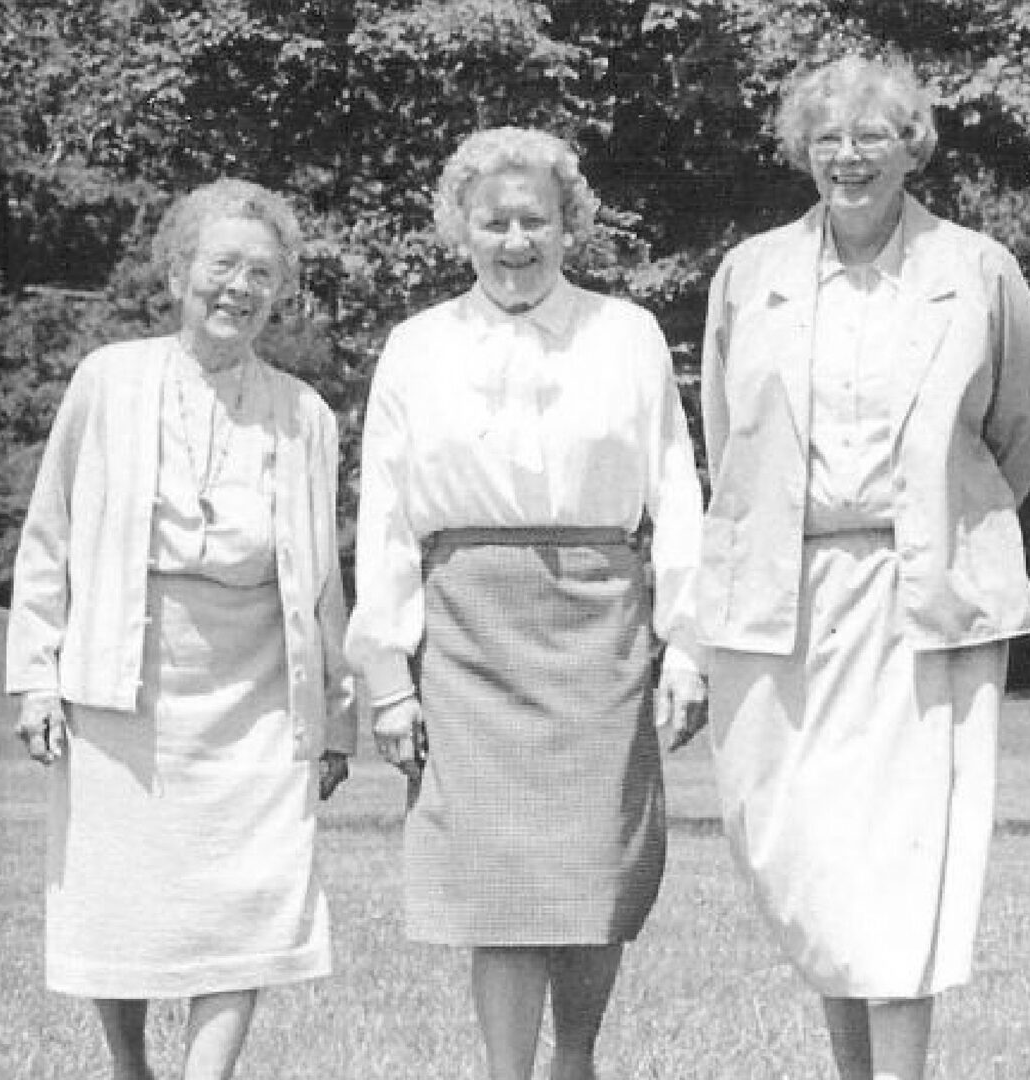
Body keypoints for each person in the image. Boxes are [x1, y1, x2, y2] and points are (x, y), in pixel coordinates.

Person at [695, 54, 1030, 1080]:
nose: (849, 157)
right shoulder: (748, 274)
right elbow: (730, 438)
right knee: (804, 854)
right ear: (803, 151)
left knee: (899, 861)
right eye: (828, 138)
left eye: (872, 136)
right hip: (783, 595)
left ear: (912, 147)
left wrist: (934, 523)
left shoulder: (978, 269)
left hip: (923, 595)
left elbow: (1014, 436)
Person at [346, 127, 706, 1080]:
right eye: (494, 220)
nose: (515, 240)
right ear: (459, 227)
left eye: (535, 220)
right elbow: (383, 514)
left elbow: (677, 492)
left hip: (602, 628)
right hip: (467, 636)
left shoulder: (624, 333)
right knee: (495, 881)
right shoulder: (417, 346)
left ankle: (575, 1060)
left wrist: (690, 646)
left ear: (569, 226)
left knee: (597, 868)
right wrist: (387, 676)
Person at [4, 178, 355, 1080]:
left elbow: (323, 583)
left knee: (248, 899)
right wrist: (37, 675)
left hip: (258, 703)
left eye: (263, 274)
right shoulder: (108, 381)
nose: (240, 288)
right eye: (222, 266)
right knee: (118, 900)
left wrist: (336, 717)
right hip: (123, 684)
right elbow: (49, 538)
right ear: (176, 274)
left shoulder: (307, 415)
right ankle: (130, 1068)